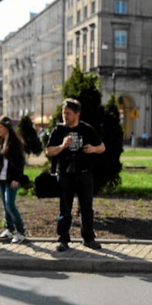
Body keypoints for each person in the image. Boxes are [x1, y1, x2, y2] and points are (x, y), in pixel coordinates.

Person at [45, 99, 106, 252]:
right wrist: (62, 146)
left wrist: (92, 149)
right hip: (65, 174)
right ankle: (63, 239)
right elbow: (48, 151)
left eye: (68, 113)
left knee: (87, 208)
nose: (65, 116)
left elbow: (102, 147)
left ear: (77, 114)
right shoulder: (59, 131)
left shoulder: (86, 129)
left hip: (84, 174)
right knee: (65, 208)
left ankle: (88, 238)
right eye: (63, 113)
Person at [0, 116, 28, 243]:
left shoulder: (14, 142)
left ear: (7, 127)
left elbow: (20, 162)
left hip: (11, 179)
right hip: (1, 179)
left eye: (0, 127)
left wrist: (16, 178)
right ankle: (9, 229)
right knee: (5, 206)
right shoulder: (1, 141)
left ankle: (21, 232)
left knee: (10, 204)